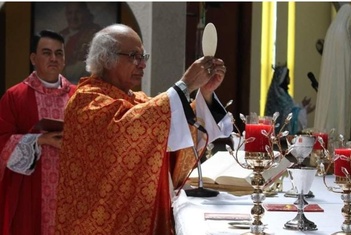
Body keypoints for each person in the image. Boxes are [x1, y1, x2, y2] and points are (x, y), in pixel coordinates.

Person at [54, 24, 232, 235]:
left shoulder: (135, 99)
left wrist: (206, 93)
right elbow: (127, 132)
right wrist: (185, 84)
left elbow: (173, 130)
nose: (142, 64)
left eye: (143, 56)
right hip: (98, 221)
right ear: (105, 59)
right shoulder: (86, 101)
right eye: (133, 56)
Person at [0, 30, 77, 235]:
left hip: (68, 189)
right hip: (30, 190)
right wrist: (40, 140)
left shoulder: (78, 96)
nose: (54, 58)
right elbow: (1, 141)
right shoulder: (15, 96)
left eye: (58, 53)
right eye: (46, 52)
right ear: (33, 58)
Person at [313, 3, 351, 139]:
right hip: (337, 83)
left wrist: (350, 48)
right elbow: (345, 58)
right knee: (336, 111)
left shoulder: (336, 30)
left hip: (333, 81)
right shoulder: (341, 32)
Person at [59, 2, 102, 84]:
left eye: (78, 12)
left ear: (85, 13)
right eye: (70, 13)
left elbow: (89, 69)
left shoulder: (96, 35)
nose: (73, 17)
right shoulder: (61, 35)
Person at [265, 65, 314, 134]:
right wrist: (305, 111)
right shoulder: (278, 96)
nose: (289, 79)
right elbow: (288, 117)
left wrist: (301, 105)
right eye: (287, 76)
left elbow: (291, 109)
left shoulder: (284, 95)